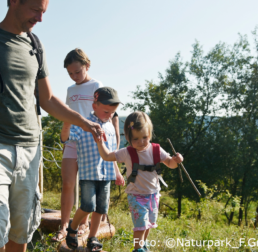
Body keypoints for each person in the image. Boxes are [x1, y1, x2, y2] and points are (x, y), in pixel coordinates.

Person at [0, 1, 104, 251]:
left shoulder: (35, 45)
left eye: (44, 12)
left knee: (22, 230)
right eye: (35, 9)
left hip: (30, 150)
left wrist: (84, 122)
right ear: (14, 1)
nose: (40, 18)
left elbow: (48, 99)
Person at [51, 49, 123, 242]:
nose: (74, 77)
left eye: (77, 72)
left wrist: (115, 143)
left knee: (91, 182)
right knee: (67, 183)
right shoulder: (70, 90)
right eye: (70, 74)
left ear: (87, 66)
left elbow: (110, 115)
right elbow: (68, 114)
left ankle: (83, 224)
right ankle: (64, 226)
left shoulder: (96, 85)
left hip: (93, 144)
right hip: (73, 139)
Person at [94, 111, 184, 252]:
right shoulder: (127, 152)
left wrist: (177, 161)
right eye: (135, 139)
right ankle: (138, 248)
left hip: (153, 194)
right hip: (136, 195)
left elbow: (170, 163)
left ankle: (143, 244)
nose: (141, 142)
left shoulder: (156, 150)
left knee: (148, 224)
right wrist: (100, 142)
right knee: (140, 225)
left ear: (149, 133)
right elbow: (106, 156)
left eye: (145, 137)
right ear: (129, 137)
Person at [61, 87, 124, 251]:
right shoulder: (83, 124)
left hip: (106, 174)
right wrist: (67, 123)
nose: (109, 115)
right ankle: (72, 228)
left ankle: (92, 237)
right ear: (94, 105)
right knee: (88, 205)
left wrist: (117, 172)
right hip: (89, 173)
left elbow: (112, 153)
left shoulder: (110, 127)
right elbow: (65, 138)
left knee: (101, 208)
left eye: (112, 112)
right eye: (106, 111)